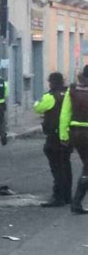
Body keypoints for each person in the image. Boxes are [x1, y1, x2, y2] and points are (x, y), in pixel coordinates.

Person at [34, 72, 72, 207]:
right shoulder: (70, 94)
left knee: (56, 166)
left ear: (51, 82)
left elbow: (38, 108)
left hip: (54, 136)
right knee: (66, 165)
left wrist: (38, 99)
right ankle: (67, 195)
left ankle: (58, 197)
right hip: (68, 135)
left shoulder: (50, 96)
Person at [60, 65, 88, 215]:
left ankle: (77, 204)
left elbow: (65, 114)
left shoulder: (72, 90)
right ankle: (76, 203)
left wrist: (64, 135)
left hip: (76, 132)